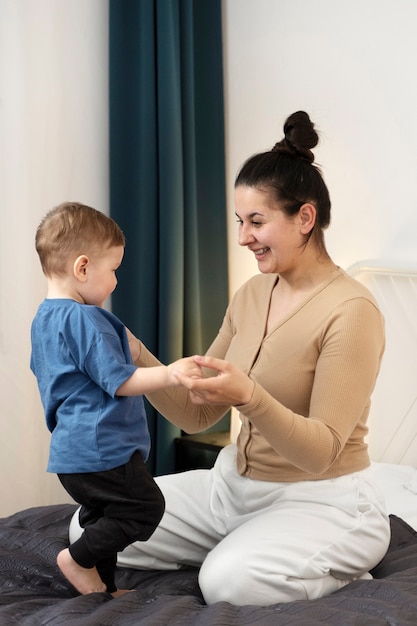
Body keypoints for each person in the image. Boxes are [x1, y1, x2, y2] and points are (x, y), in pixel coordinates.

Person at [70, 112, 391, 606]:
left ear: (305, 218)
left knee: (224, 582)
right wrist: (131, 350)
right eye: (240, 221)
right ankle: (250, 547)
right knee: (88, 525)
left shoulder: (351, 311)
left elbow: (322, 450)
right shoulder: (250, 294)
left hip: (323, 499)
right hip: (232, 487)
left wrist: (251, 397)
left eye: (257, 222)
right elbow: (197, 414)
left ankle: (333, 570)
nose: (243, 237)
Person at [30, 202, 202, 597]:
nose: (116, 283)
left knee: (102, 518)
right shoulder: (86, 319)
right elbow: (119, 381)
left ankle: (101, 588)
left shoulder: (44, 320)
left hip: (71, 455)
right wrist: (171, 373)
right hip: (102, 449)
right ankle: (76, 560)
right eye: (113, 271)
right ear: (83, 268)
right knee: (144, 507)